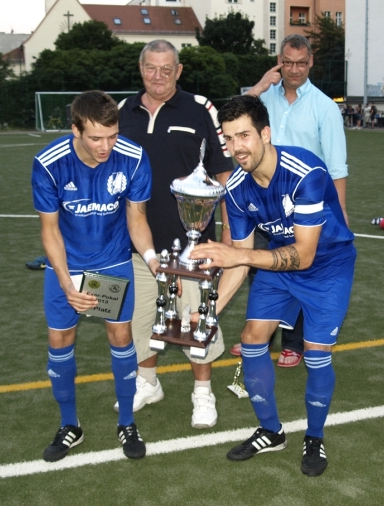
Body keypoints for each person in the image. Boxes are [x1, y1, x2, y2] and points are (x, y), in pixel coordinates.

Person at [191, 94, 355, 477]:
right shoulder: (235, 188)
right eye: (229, 138)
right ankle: (271, 430)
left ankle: (314, 436)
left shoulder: (306, 172)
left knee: (316, 354)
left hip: (327, 265)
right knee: (251, 339)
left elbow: (305, 255)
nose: (236, 147)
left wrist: (239, 256)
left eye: (244, 135)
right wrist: (207, 314)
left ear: (265, 133)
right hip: (279, 260)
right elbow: (239, 262)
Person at [32, 90, 158, 462]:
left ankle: (127, 421)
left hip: (110, 261)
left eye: (112, 135)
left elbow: (137, 219)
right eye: (96, 138)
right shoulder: (50, 163)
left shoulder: (132, 158)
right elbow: (50, 231)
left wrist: (154, 262)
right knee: (60, 340)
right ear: (76, 130)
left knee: (121, 336)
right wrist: (66, 283)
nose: (106, 146)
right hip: (66, 264)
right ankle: (69, 425)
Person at [116, 39, 234, 429]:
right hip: (138, 244)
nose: (158, 76)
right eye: (151, 67)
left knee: (195, 321)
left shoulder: (201, 109)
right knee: (141, 320)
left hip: (191, 248)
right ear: (140, 68)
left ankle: (203, 393)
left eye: (167, 69)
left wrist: (228, 233)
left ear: (179, 71)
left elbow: (224, 173)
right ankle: (147, 382)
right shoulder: (123, 112)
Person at [234, 33, 349, 367]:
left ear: (311, 62)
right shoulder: (263, 100)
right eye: (288, 62)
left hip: (305, 206)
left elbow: (336, 167)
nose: (294, 69)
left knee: (301, 267)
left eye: (301, 63)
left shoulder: (325, 107)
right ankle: (261, 333)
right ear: (279, 62)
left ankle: (294, 343)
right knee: (258, 265)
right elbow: (232, 118)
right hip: (261, 202)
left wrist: (340, 213)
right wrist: (258, 86)